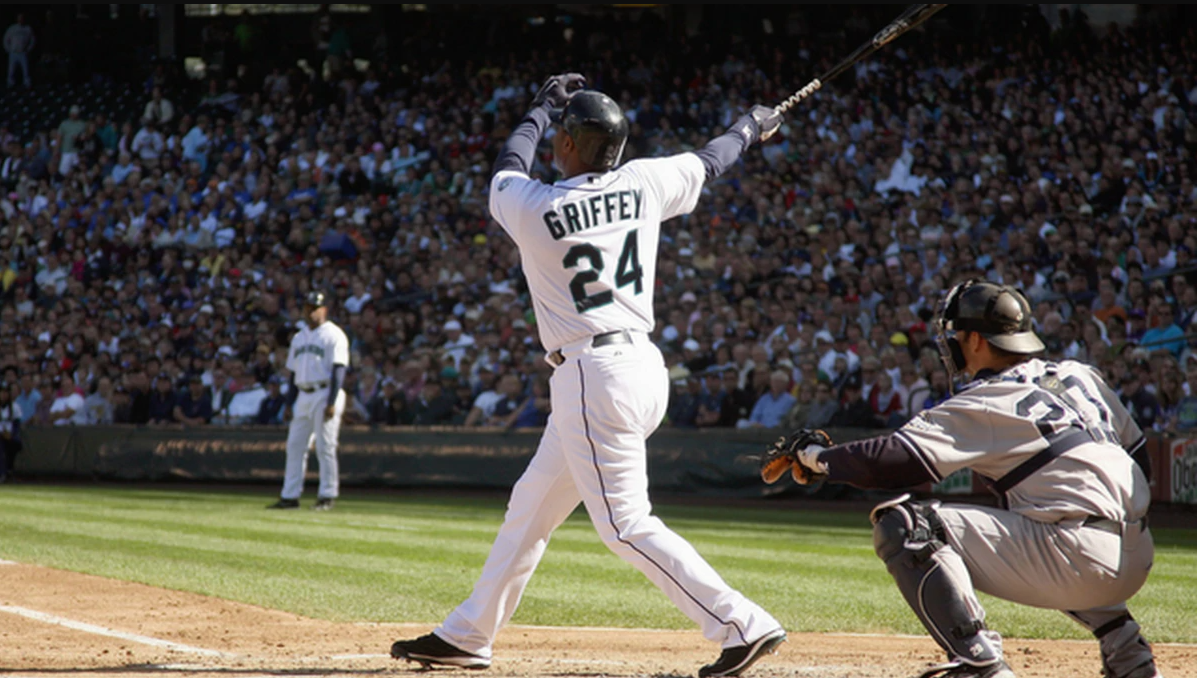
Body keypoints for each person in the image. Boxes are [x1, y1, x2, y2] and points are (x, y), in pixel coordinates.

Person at [390, 74, 787, 677]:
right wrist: (751, 127)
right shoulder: (645, 180)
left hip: (591, 374)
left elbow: (506, 165)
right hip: (641, 367)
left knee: (626, 524)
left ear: (572, 143)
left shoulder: (538, 206)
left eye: (562, 135)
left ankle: (741, 623)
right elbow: (712, 160)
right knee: (530, 506)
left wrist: (539, 108)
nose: (555, 143)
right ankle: (469, 632)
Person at [767, 279, 1160, 678]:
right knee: (1042, 514)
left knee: (905, 526)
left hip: (1078, 558)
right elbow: (1139, 460)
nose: (950, 344)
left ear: (975, 339)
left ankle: (982, 665)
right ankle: (1130, 658)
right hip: (1138, 552)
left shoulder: (988, 397)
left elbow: (892, 461)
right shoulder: (1080, 376)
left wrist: (814, 457)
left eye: (954, 334)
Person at [268, 290, 350, 511]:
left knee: (325, 446)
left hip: (325, 392)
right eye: (308, 307)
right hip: (303, 394)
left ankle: (327, 495)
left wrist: (332, 401)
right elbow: (294, 373)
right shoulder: (299, 336)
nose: (311, 311)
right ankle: (290, 496)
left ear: (324, 309)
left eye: (315, 308)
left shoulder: (334, 334)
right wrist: (288, 403)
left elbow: (338, 370)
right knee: (295, 446)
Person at [4, 13, 34, 88]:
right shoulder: (12, 28)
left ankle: (27, 84)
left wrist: (28, 49)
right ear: (17, 19)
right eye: (19, 18)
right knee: (11, 70)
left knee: (26, 70)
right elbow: (5, 39)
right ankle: (10, 84)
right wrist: (8, 49)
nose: (20, 19)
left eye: (22, 18)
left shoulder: (27, 28)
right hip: (13, 53)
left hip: (23, 53)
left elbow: (32, 40)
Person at [0, 384, 23, 482]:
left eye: (6, 392)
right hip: (1, 435)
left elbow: (17, 424)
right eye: (2, 392)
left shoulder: (15, 406)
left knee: (16, 445)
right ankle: (2, 474)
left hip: (10, 436)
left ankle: (9, 471)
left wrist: (11, 434)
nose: (3, 395)